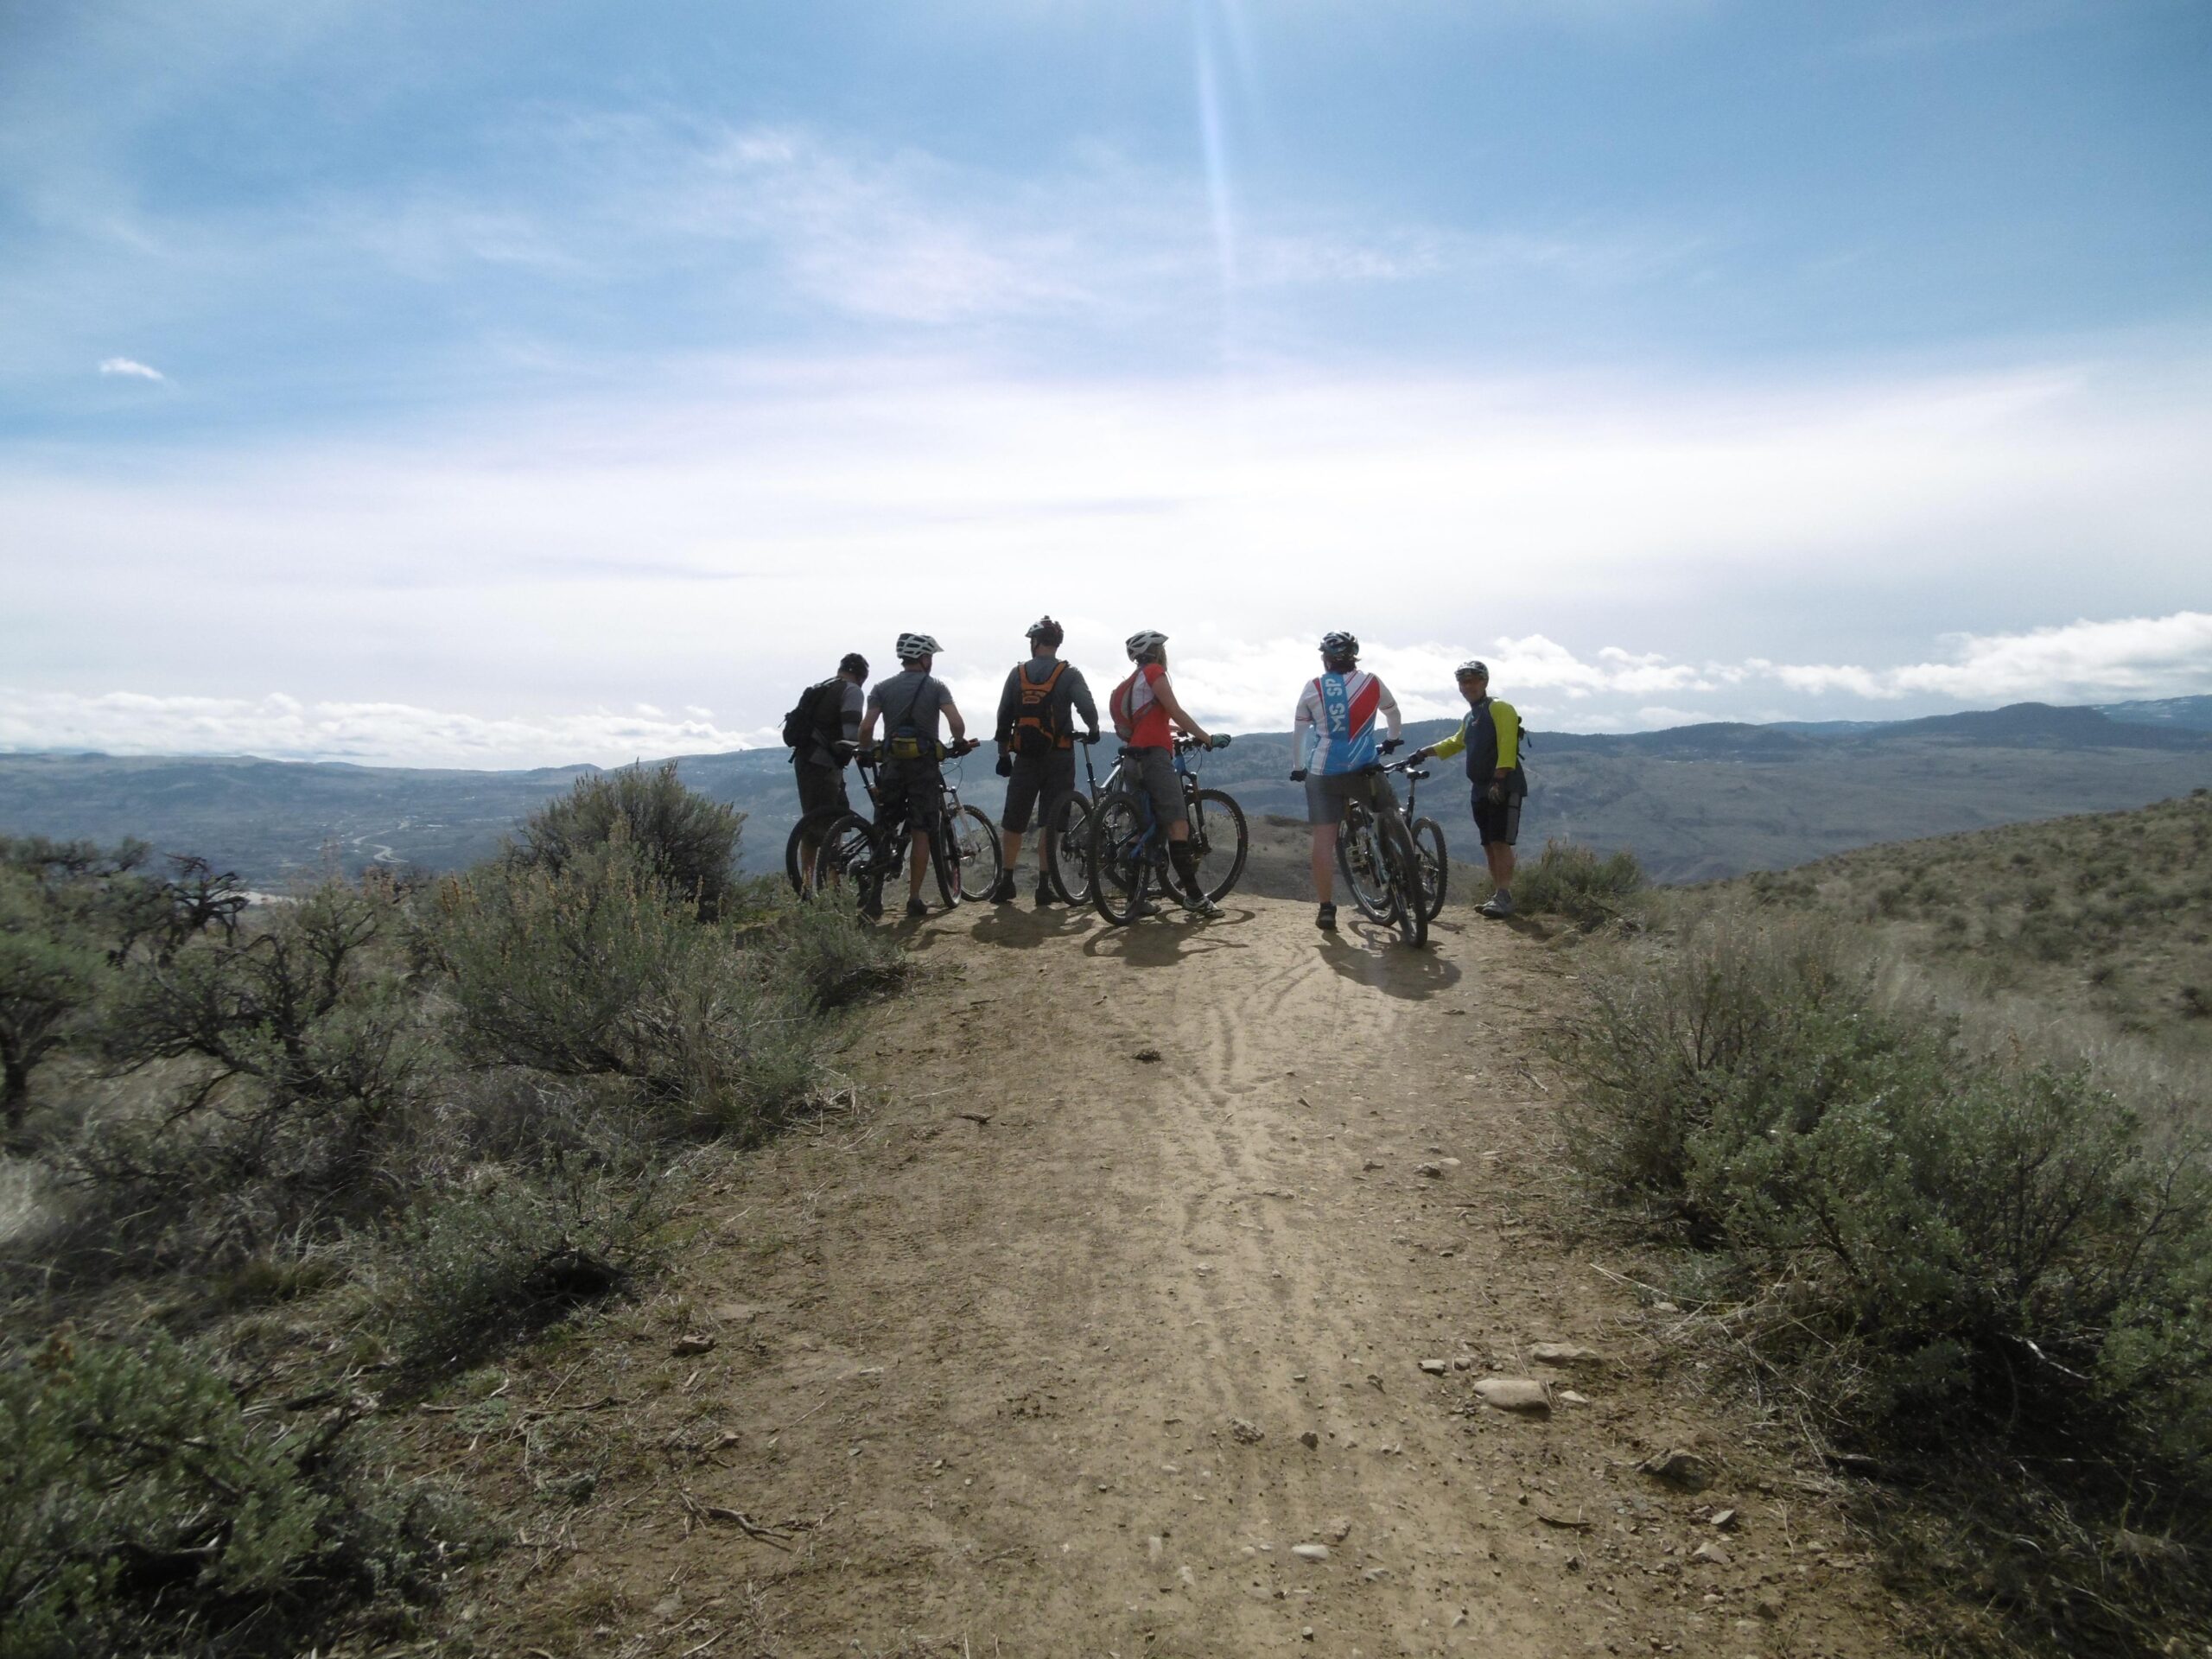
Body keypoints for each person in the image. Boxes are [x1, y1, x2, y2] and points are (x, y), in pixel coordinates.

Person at [1288, 631, 1404, 931]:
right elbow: (1394, 716)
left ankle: (1326, 909)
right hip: (1364, 766)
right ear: (1355, 657)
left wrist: (1298, 766)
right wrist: (1391, 741)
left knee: (1323, 843)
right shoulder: (1372, 683)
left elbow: (1300, 733)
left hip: (1323, 773)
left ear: (1325, 660)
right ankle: (1404, 871)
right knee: (1391, 815)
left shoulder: (1313, 687)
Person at [857, 632, 970, 919]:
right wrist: (959, 742)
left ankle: (875, 898)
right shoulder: (936, 687)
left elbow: (866, 729)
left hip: (892, 767)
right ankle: (914, 898)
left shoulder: (881, 688)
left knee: (884, 827)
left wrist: (866, 750)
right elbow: (956, 724)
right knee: (921, 831)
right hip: (923, 768)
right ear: (924, 658)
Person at [1109, 629, 1222, 918]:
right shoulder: (1155, 672)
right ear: (1157, 652)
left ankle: (1136, 900)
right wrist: (1207, 738)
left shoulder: (1131, 682)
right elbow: (1175, 710)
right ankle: (1195, 898)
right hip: (1156, 757)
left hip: (1133, 758)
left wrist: (1172, 730)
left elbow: (1149, 720)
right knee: (1177, 825)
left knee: (1142, 829)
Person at [989, 616, 1100, 906]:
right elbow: (1087, 707)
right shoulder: (1069, 673)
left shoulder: (1018, 674)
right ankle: (1043, 886)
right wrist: (1094, 729)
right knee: (1052, 822)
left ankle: (1006, 882)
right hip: (1060, 756)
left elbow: (1004, 718)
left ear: (1036, 642)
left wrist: (1003, 755)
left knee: (1014, 821)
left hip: (1025, 757)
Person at [1409, 659, 1524, 918]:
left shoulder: (1500, 708)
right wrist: (1423, 753)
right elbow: (1456, 742)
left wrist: (1499, 778)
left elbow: (1508, 741)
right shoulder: (1471, 716)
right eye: (1463, 682)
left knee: (1500, 841)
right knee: (1488, 843)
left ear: (1484, 682)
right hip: (1480, 787)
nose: (1467, 686)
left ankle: (1504, 896)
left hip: (1502, 783)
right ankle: (1499, 895)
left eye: (1473, 681)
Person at [787, 652, 869, 885]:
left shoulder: (823, 686)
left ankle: (808, 883)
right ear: (862, 676)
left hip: (806, 760)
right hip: (824, 765)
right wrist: (870, 749)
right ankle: (828, 888)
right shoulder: (852, 691)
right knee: (829, 826)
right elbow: (852, 734)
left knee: (817, 822)